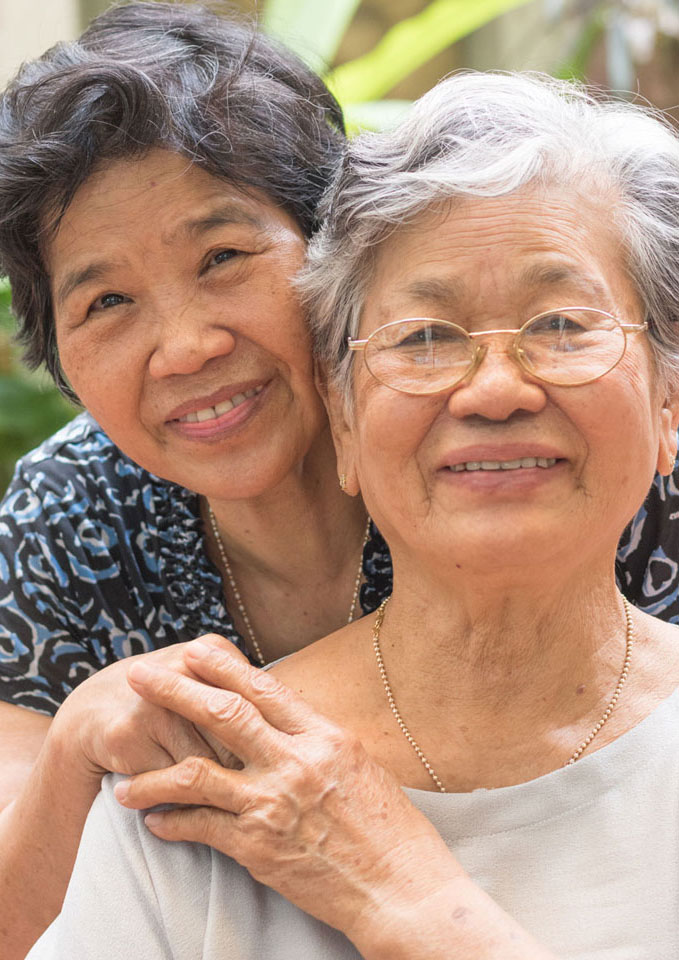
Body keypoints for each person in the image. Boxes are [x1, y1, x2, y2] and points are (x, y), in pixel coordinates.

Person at [25, 70, 679, 959]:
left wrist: (412, 902)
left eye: (562, 324)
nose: (493, 389)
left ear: (667, 402)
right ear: (342, 415)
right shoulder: (198, 785)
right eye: (423, 339)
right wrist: (76, 746)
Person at [0, 3, 392, 956]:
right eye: (107, 302)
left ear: (334, 251)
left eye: (223, 257)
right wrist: (74, 742)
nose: (185, 348)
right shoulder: (65, 520)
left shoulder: (466, 442)